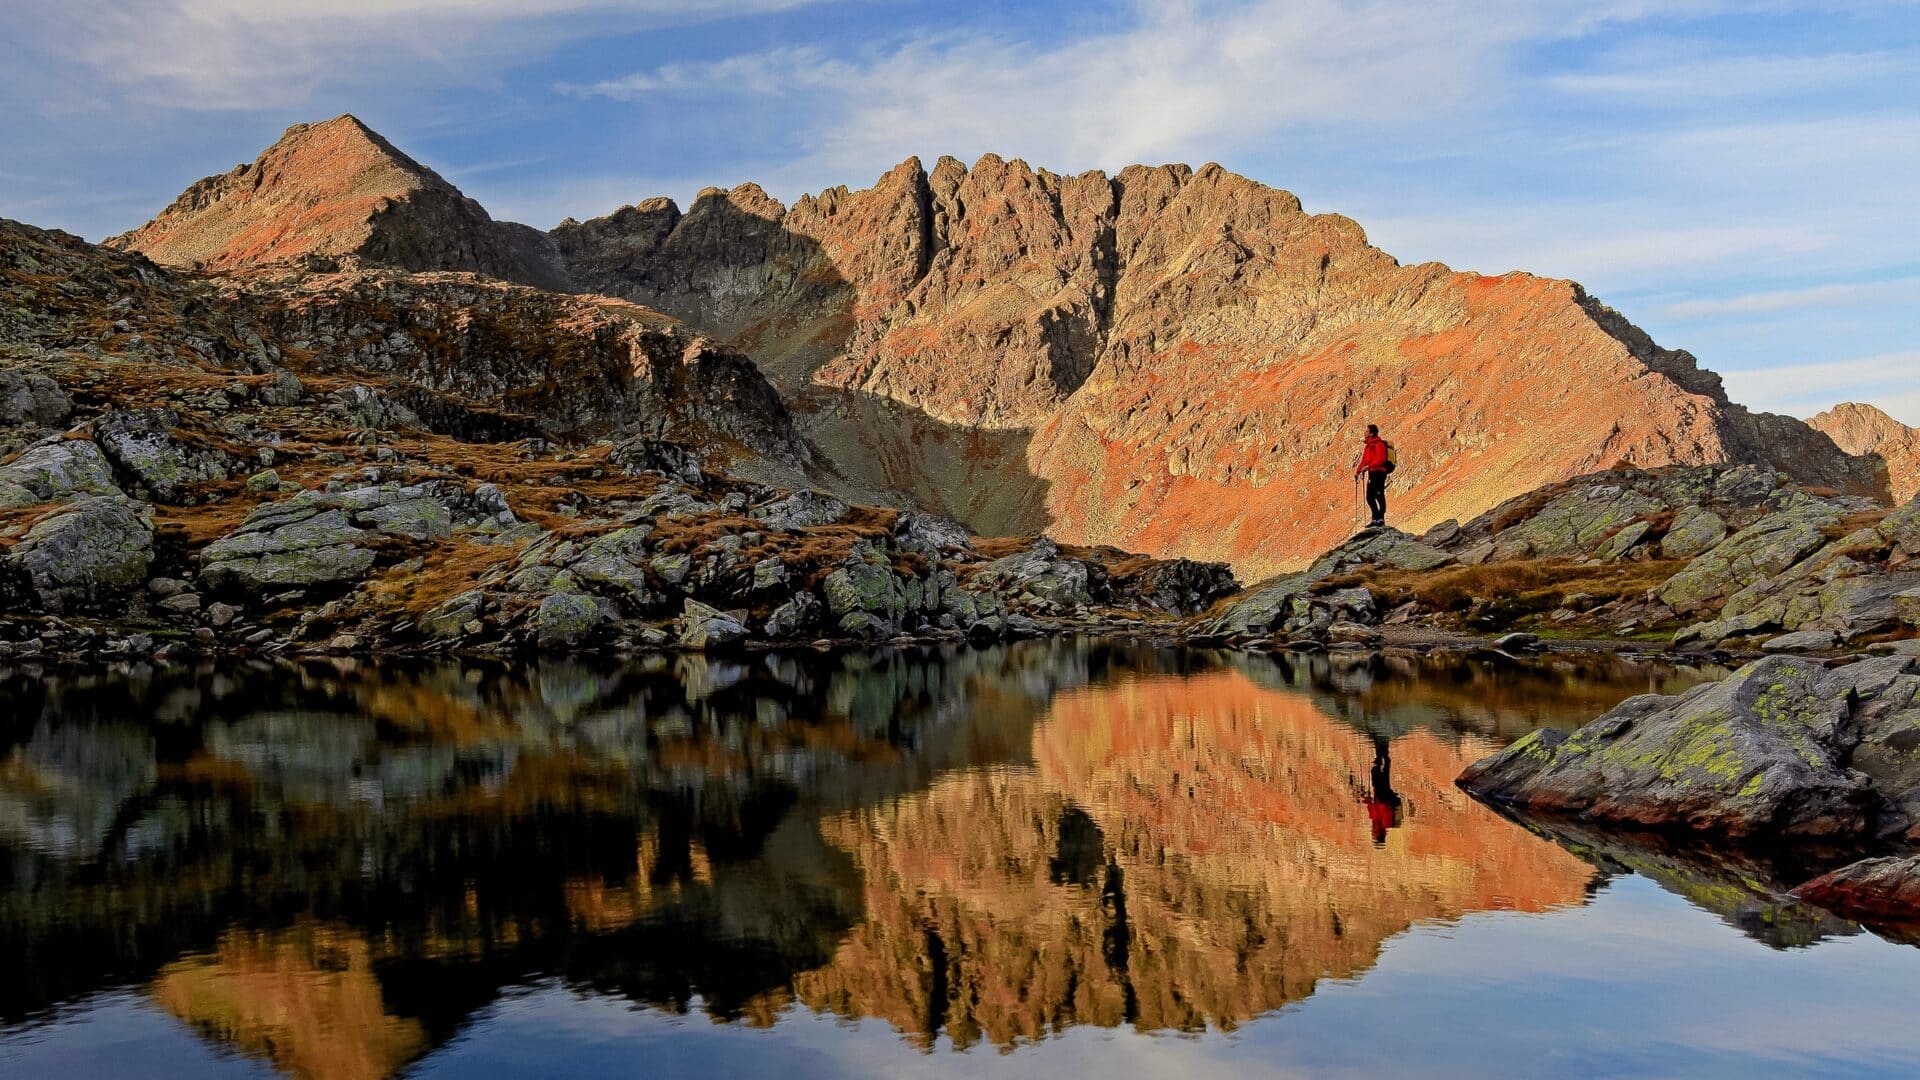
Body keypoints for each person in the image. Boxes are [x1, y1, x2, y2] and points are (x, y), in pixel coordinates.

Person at [1353, 424, 1391, 528]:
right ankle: (1376, 518)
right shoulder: (1368, 446)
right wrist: (1358, 472)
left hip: (1379, 473)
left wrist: (1368, 466)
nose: (1364, 433)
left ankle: (1380, 519)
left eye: (1366, 431)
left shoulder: (1378, 444)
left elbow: (1381, 459)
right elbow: (1364, 461)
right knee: (1370, 497)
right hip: (1372, 472)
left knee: (1379, 495)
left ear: (1371, 433)